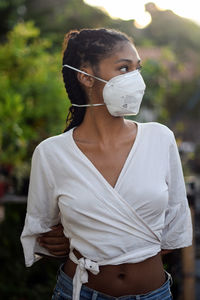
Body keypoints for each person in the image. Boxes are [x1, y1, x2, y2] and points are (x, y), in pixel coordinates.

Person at [20, 28, 193, 300]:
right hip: (78, 293)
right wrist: (69, 239)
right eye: (124, 68)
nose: (136, 80)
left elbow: (175, 228)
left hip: (153, 295)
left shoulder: (160, 138)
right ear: (86, 76)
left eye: (138, 69)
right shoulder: (51, 153)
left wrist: (110, 242)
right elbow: (44, 234)